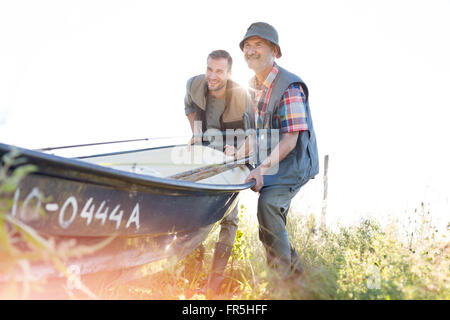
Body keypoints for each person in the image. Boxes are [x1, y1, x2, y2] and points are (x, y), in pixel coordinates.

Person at [239, 22, 319, 279]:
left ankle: (283, 285)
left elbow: (290, 140)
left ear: (275, 51)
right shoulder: (252, 85)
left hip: (295, 163)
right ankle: (299, 282)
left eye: (258, 45)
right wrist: (233, 157)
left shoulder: (289, 86)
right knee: (269, 225)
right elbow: (254, 133)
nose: (251, 51)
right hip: (276, 162)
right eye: (247, 46)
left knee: (269, 205)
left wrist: (262, 168)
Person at [184, 49, 251, 294]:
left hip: (232, 161)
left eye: (219, 71)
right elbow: (189, 105)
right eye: (209, 69)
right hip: (202, 157)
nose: (212, 75)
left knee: (229, 220)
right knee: (193, 211)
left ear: (230, 73)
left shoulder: (243, 96)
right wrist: (196, 131)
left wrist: (238, 148)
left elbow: (256, 131)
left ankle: (215, 282)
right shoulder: (195, 85)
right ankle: (190, 274)